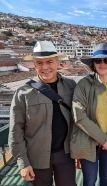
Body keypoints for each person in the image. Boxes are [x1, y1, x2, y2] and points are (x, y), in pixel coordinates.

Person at [8, 41, 76, 186]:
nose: (45, 67)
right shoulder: (23, 93)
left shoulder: (71, 86)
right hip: (36, 157)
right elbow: (15, 130)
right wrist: (23, 163)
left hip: (65, 154)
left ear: (58, 62)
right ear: (34, 65)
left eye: (49, 62)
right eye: (39, 63)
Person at [70, 43, 107, 186]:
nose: (102, 63)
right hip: (88, 142)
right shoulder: (83, 85)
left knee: (106, 179)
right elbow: (79, 116)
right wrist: (103, 139)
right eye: (98, 60)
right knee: (90, 181)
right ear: (93, 64)